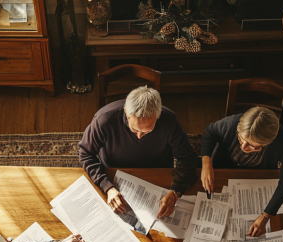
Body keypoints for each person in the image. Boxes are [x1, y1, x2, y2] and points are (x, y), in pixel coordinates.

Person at [79, 86, 198, 219]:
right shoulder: (104, 119)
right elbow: (85, 153)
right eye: (134, 130)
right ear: (126, 113)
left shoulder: (169, 121)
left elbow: (188, 159)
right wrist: (107, 187)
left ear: (158, 116)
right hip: (113, 173)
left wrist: (176, 191)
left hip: (156, 171)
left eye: (147, 131)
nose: (139, 136)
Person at [200, 106, 283, 237]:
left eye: (253, 146)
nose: (243, 147)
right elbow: (210, 132)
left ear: (268, 143)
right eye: (241, 139)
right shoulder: (232, 123)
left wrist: (266, 215)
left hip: (257, 175)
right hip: (223, 166)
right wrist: (206, 163)